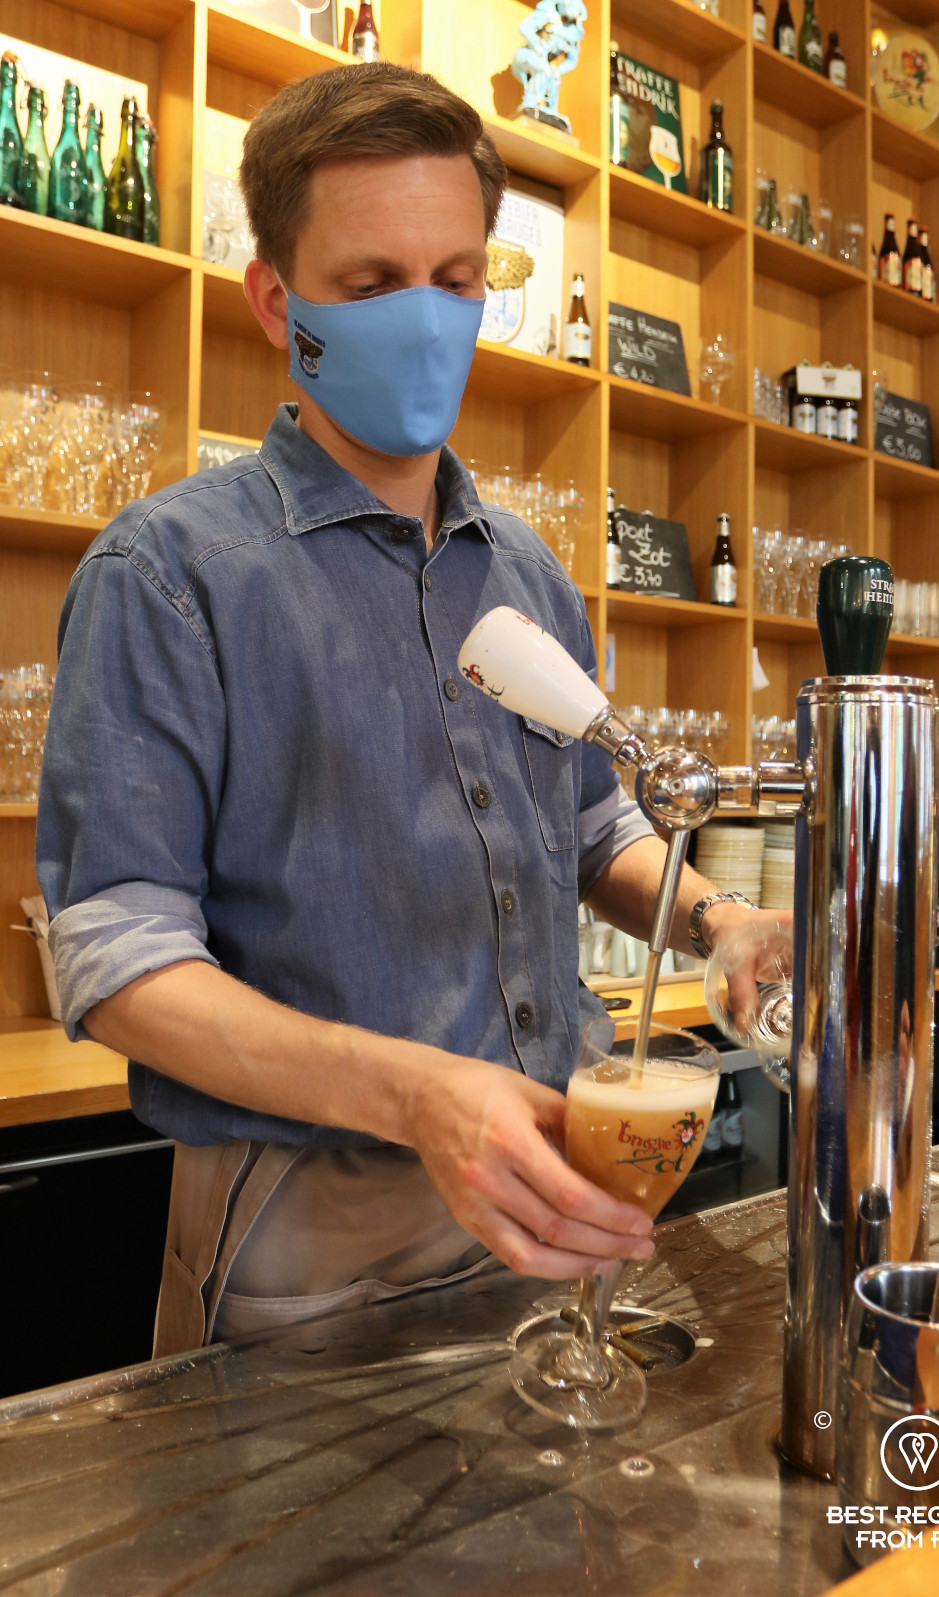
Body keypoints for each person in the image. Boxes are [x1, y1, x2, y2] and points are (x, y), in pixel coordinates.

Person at [36, 62, 784, 1357]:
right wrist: (420, 1094)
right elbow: (116, 963)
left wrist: (719, 919)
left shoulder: (531, 575)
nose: (426, 319)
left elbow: (596, 827)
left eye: (456, 279)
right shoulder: (168, 575)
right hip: (314, 1224)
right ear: (277, 301)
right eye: (374, 285)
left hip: (559, 1180)